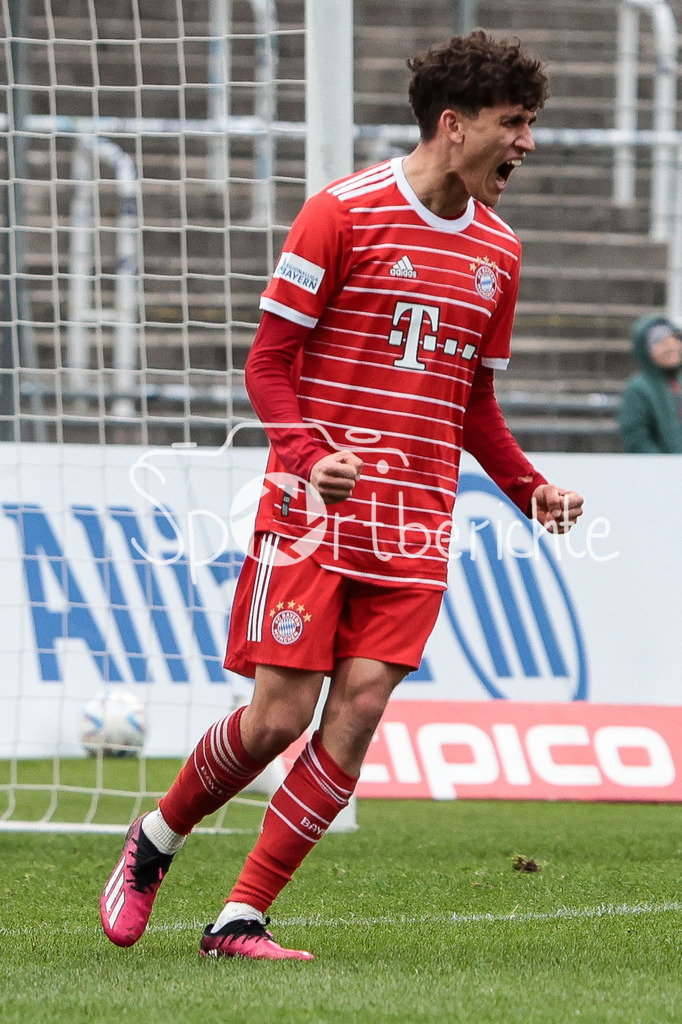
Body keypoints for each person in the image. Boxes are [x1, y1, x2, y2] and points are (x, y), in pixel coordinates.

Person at [100, 30, 584, 962]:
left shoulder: (500, 253)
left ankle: (240, 917)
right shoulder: (342, 213)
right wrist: (307, 450)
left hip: (418, 521)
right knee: (277, 720)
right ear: (454, 125)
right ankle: (154, 842)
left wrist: (530, 490)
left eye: (530, 124)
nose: (527, 143)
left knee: (356, 716)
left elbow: (473, 401)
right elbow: (268, 361)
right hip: (314, 510)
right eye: (513, 124)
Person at [618, 314, 682, 453]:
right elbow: (636, 438)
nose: (670, 345)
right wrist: (663, 467)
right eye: (659, 340)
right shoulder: (639, 389)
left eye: (674, 338)